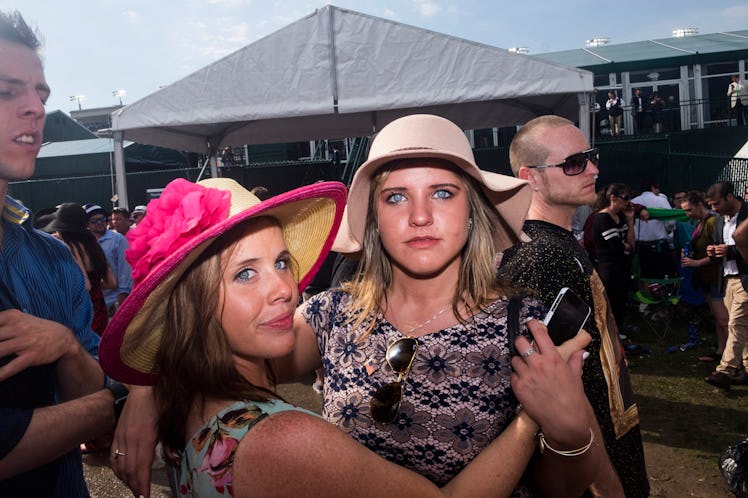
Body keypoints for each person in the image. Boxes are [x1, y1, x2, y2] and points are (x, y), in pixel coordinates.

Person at [110, 115, 602, 497]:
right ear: (372, 220)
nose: (421, 216)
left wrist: (565, 429)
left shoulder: (528, 326)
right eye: (395, 198)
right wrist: (143, 390)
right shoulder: (329, 316)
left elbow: (563, 488)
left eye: (443, 192)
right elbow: (215, 341)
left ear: (472, 213)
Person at [0, 10, 126, 496]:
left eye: (41, 93)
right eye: (7, 91)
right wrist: (124, 399)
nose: (35, 107)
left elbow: (86, 409)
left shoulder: (52, 259)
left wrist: (67, 346)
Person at [498, 114, 650, 497]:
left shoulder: (558, 245)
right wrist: (606, 485)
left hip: (609, 440)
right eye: (574, 163)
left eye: (590, 156)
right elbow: (558, 389)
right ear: (530, 176)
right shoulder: (544, 256)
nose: (594, 169)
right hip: (591, 462)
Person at [44, 203, 118, 335]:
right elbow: (111, 283)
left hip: (84, 312)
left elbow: (85, 286)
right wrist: (96, 285)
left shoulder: (69, 248)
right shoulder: (94, 245)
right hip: (101, 308)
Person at [704, 182, 748, 388]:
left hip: (745, 278)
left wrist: (728, 251)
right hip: (728, 279)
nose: (714, 209)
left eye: (717, 203)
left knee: (736, 324)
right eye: (711, 205)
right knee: (741, 327)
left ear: (730, 196)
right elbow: (721, 249)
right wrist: (713, 252)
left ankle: (725, 370)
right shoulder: (719, 221)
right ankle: (746, 368)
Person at [680, 191, 728, 363]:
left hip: (716, 276)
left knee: (724, 319)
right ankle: (722, 351)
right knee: (718, 318)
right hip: (707, 278)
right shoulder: (700, 223)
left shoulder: (712, 222)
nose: (687, 214)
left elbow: (719, 251)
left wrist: (697, 263)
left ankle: (734, 358)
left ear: (700, 205)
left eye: (689, 210)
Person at [590, 183, 635, 328]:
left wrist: (630, 221)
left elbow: (631, 243)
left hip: (622, 266)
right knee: (610, 302)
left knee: (621, 300)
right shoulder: (602, 218)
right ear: (613, 198)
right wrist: (625, 247)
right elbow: (615, 246)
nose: (628, 202)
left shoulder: (621, 216)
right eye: (625, 198)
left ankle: (619, 330)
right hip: (608, 268)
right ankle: (609, 333)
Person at [84, 203, 133, 315]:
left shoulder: (117, 239)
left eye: (102, 219)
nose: (100, 222)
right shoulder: (85, 242)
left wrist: (122, 295)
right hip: (93, 302)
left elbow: (125, 268)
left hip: (114, 301)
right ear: (87, 224)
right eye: (94, 220)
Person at [631, 180, 676, 279]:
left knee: (644, 277)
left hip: (640, 247)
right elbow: (671, 221)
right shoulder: (661, 200)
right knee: (663, 278)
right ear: (653, 187)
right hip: (660, 246)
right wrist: (668, 230)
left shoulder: (634, 202)